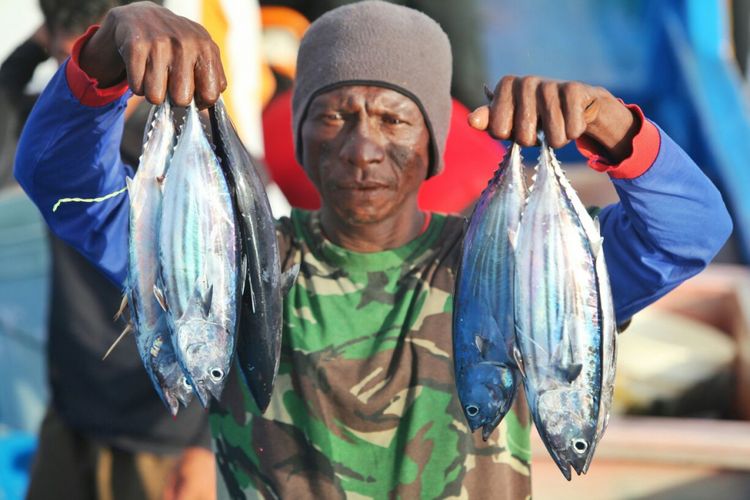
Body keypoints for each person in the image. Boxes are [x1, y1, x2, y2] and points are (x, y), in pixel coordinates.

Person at [14, 1, 732, 498]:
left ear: (433, 146)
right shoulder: (239, 265)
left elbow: (690, 232)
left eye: (394, 118)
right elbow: (57, 177)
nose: (363, 149)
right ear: (302, 139)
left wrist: (613, 128)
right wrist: (106, 52)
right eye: (333, 115)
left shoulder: (516, 276)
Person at [1, 1, 215, 499]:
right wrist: (51, 48)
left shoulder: (185, 146)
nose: (78, 68)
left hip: (165, 432)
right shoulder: (55, 127)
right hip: (71, 411)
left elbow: (216, 298)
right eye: (67, 56)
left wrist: (202, 444)